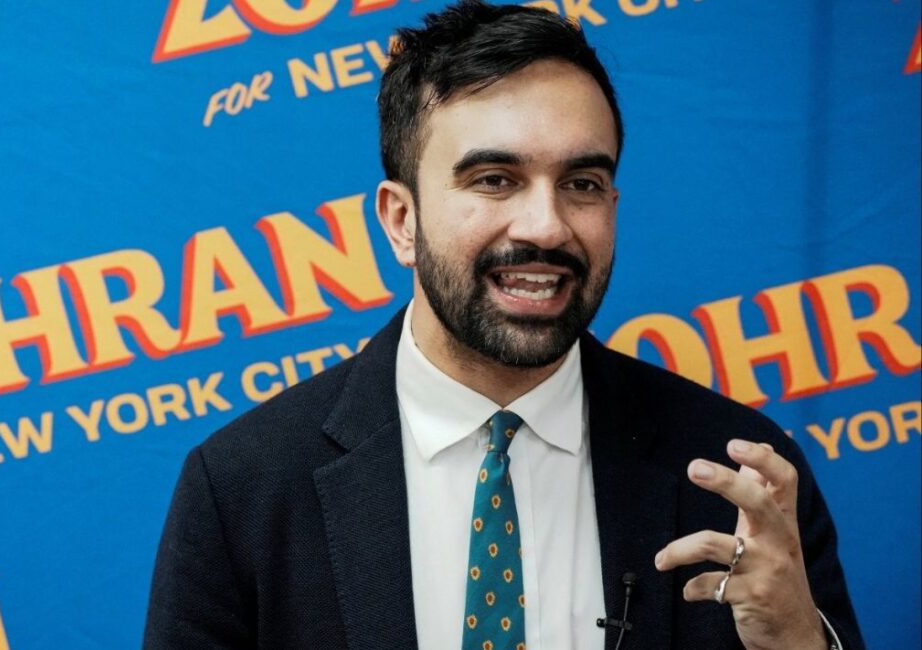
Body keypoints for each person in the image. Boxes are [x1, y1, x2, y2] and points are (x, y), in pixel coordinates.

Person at [144, 1, 863, 648]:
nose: (546, 226)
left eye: (582, 185)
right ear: (401, 220)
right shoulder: (241, 488)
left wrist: (798, 643)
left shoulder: (740, 476)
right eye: (495, 180)